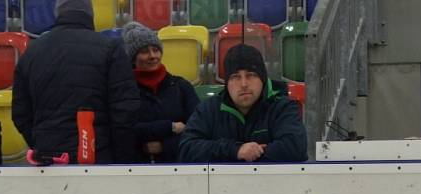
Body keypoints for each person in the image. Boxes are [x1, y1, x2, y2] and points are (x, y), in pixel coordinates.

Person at [12, 0, 140, 164]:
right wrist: (121, 159)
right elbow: (125, 109)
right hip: (98, 155)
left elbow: (20, 113)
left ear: (58, 13)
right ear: (90, 14)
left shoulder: (32, 51)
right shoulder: (110, 48)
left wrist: (41, 142)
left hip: (47, 158)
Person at [178, 44, 308, 163]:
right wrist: (236, 151)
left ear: (262, 78)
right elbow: (187, 149)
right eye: (235, 77)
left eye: (250, 75)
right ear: (227, 83)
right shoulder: (209, 109)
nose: (244, 84)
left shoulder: (282, 106)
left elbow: (295, 148)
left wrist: (251, 154)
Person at [122, 22, 200, 163]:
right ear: (133, 58)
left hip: (178, 166)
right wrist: (170, 127)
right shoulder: (124, 91)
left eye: (156, 50)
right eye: (145, 51)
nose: (153, 56)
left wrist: (165, 146)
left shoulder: (181, 87)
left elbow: (199, 130)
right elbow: (125, 131)